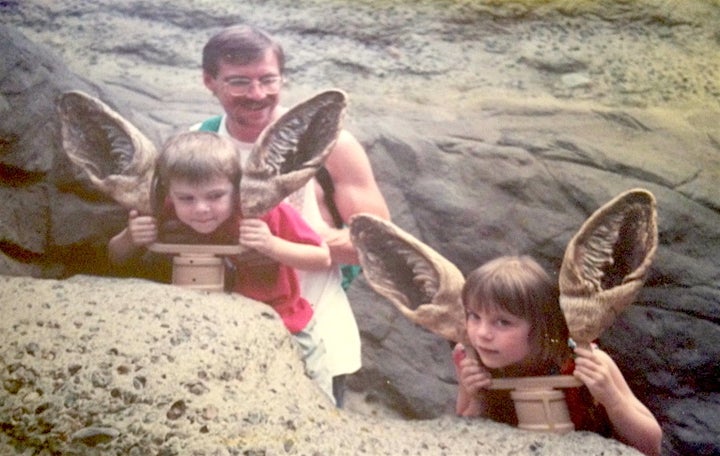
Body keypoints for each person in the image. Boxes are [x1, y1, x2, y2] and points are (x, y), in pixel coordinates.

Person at [195, 24, 391, 407]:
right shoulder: (195, 145)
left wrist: (309, 236)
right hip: (226, 334)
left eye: (268, 80)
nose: (257, 94)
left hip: (319, 333)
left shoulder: (332, 146)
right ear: (209, 81)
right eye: (239, 82)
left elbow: (381, 245)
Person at [108, 131, 335, 403]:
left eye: (215, 196)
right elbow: (115, 257)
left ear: (237, 187)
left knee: (317, 396)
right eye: (187, 198)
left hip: (282, 321)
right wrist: (130, 238)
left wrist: (271, 244)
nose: (201, 208)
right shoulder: (161, 210)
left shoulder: (264, 210)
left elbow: (322, 258)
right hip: (194, 327)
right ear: (169, 192)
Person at [453, 256, 662, 456]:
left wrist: (613, 400)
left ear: (541, 326)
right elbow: (459, 437)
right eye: (474, 316)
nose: (482, 333)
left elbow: (651, 446)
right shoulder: (472, 361)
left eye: (502, 322)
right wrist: (476, 398)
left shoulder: (587, 363)